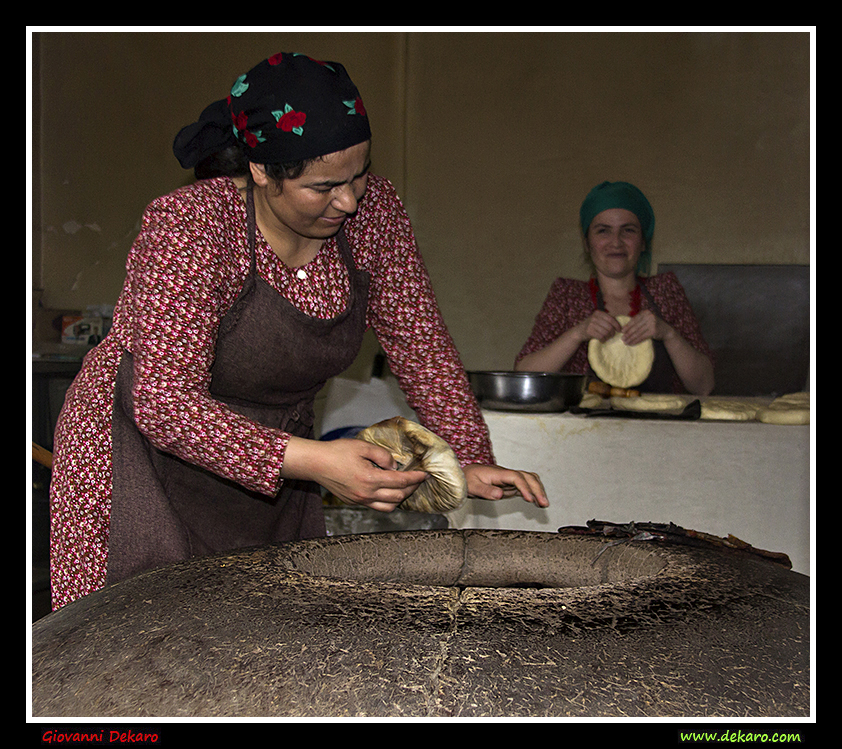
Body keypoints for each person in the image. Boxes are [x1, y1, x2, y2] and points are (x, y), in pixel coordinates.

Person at [49, 53, 546, 610]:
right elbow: (165, 404)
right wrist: (315, 461)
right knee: (135, 632)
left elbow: (421, 345)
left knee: (263, 631)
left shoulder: (374, 216)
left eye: (360, 174)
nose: (349, 200)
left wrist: (467, 453)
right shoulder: (194, 225)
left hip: (279, 456)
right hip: (143, 452)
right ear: (262, 171)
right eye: (324, 186)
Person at [515, 181, 714, 395]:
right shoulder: (567, 296)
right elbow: (524, 375)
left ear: (643, 242)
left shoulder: (665, 291)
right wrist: (577, 334)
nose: (616, 242)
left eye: (628, 230)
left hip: (658, 427)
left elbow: (704, 386)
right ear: (586, 242)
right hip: (583, 429)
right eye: (603, 231)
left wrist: (668, 334)